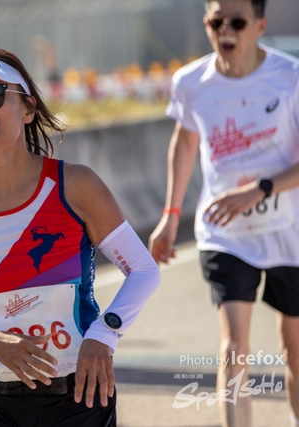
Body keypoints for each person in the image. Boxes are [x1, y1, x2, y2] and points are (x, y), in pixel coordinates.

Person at [0, 48, 161, 427]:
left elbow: (143, 270)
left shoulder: (75, 185)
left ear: (27, 108)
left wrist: (104, 334)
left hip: (76, 392)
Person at [147, 1, 299, 426]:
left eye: (237, 22)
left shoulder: (290, 77)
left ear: (260, 26)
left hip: (290, 230)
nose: (226, 30)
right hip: (226, 232)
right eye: (217, 22)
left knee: (294, 349)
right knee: (234, 348)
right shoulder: (191, 81)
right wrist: (171, 213)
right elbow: (185, 142)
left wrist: (258, 189)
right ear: (206, 25)